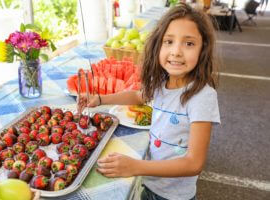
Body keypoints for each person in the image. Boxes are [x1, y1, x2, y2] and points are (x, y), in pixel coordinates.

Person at [78, 3, 220, 200]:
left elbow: (194, 163)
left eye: (188, 43)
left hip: (173, 196)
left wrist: (136, 166)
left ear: (202, 49)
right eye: (169, 41)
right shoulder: (163, 82)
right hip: (149, 182)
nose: (176, 51)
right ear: (158, 45)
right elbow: (138, 95)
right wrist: (101, 99)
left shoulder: (202, 97)